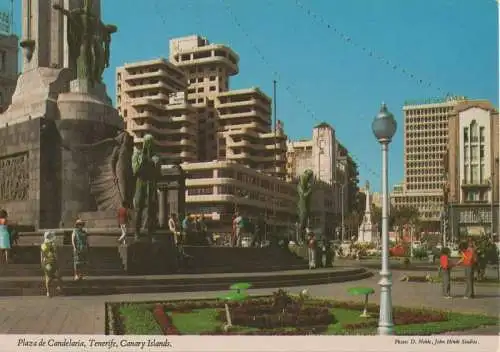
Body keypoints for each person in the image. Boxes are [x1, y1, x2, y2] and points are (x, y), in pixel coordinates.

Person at [40, 231, 63, 297]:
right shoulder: (53, 244)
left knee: (48, 277)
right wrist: (58, 261)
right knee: (58, 275)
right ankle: (59, 288)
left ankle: (48, 292)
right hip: (52, 262)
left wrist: (42, 263)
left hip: (45, 263)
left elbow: (41, 255)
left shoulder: (43, 245)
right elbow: (55, 254)